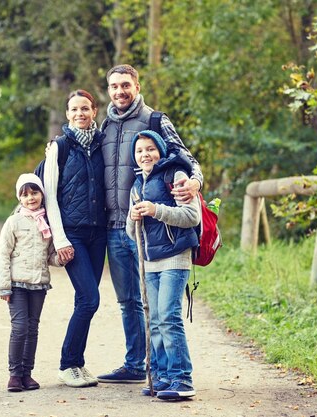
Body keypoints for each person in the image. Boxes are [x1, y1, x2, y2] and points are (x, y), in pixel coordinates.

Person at [97, 64, 204, 383]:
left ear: (137, 86)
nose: (120, 91)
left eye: (125, 85)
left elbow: (187, 158)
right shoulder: (105, 126)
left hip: (151, 228)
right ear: (109, 90)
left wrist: (196, 181)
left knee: (158, 307)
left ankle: (170, 371)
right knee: (128, 301)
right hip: (117, 226)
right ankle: (137, 365)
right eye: (114, 86)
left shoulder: (156, 120)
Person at [126, 130, 200, 399]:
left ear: (160, 150)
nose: (145, 155)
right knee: (155, 320)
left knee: (169, 317)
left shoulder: (176, 175)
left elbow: (191, 216)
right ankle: (161, 377)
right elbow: (130, 232)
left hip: (175, 256)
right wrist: (133, 216)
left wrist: (156, 210)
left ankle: (182, 378)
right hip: (150, 261)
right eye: (139, 151)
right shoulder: (136, 185)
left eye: (150, 149)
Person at [44, 89, 107, 388]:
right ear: (67, 114)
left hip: (99, 234)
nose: (79, 113)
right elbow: (50, 198)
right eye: (74, 109)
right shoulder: (59, 146)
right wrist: (61, 240)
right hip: (73, 234)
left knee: (86, 300)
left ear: (94, 111)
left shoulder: (102, 144)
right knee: (90, 299)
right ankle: (68, 364)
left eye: (85, 108)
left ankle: (77, 364)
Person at [0, 173, 62, 392]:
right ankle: (14, 374)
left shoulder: (49, 223)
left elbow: (50, 255)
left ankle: (27, 374)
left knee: (32, 328)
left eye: (34, 193)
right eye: (25, 195)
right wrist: (4, 286)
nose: (30, 198)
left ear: (42, 194)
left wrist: (60, 258)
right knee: (20, 327)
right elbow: (3, 255)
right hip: (17, 284)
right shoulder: (14, 222)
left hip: (39, 284)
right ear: (19, 198)